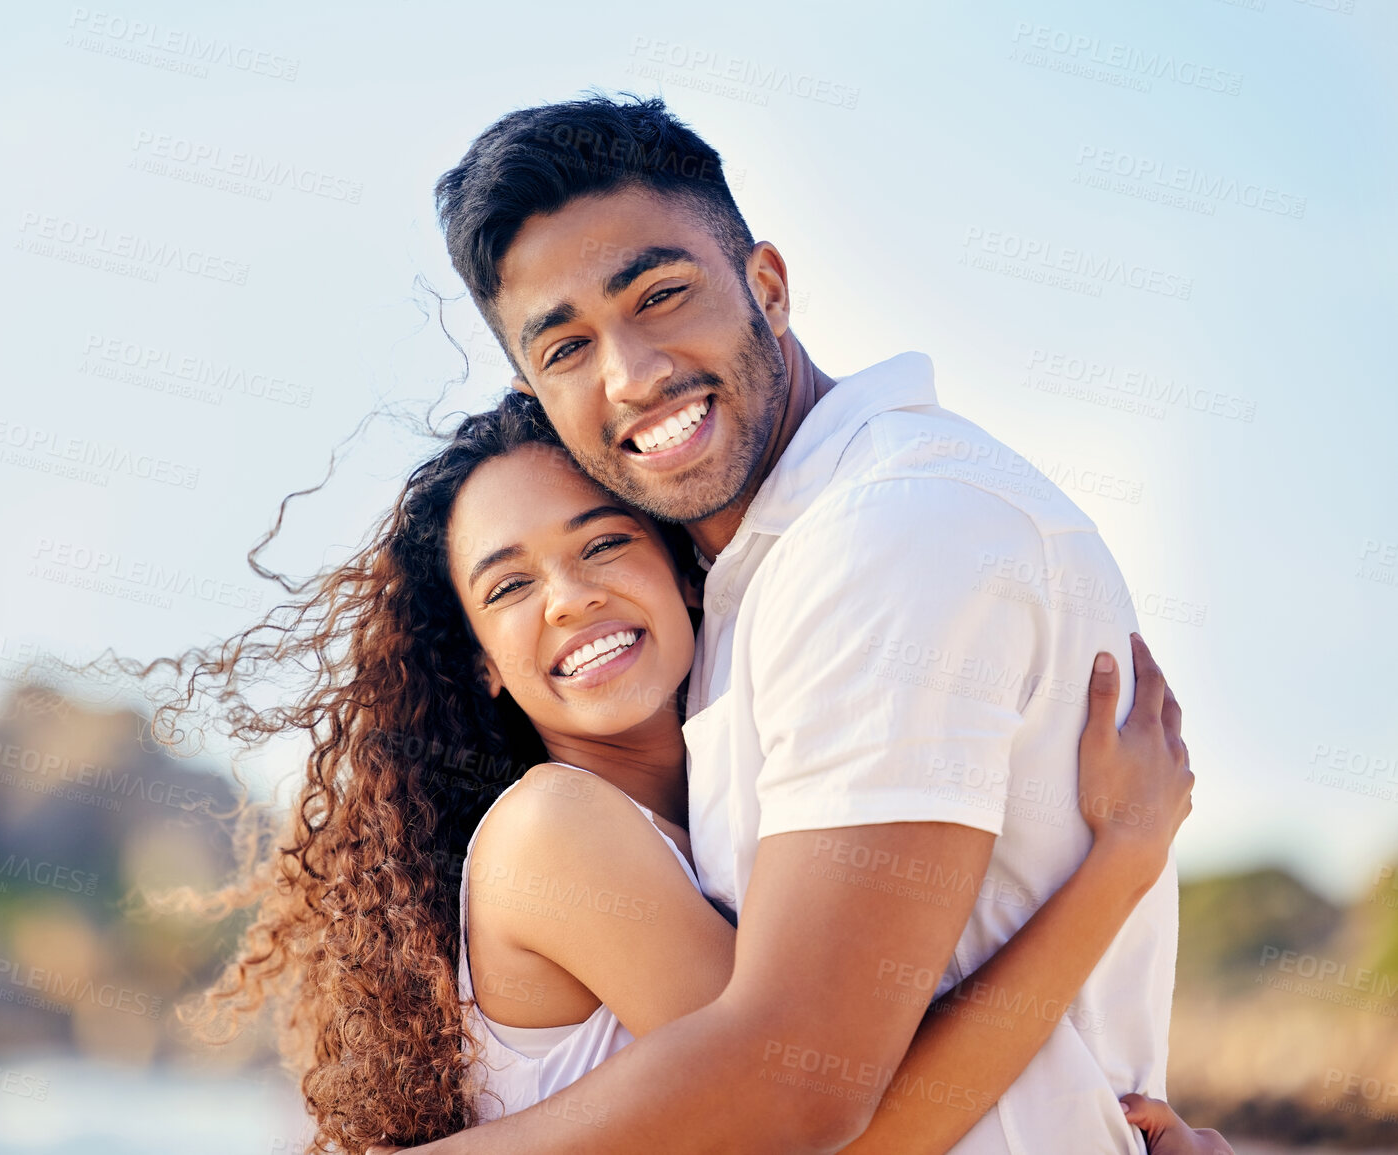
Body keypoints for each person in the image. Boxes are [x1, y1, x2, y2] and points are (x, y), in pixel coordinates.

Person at [367, 93, 1215, 1153]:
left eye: (662, 293)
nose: (632, 373)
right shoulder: (760, 580)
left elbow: (798, 1094)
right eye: (567, 347)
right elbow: (800, 1100)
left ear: (767, 285)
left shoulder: (889, 535)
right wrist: (1117, 869)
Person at [124, 395, 1223, 1154]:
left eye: (604, 545)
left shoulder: (733, 828)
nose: (569, 598)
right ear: (483, 667)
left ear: (684, 573)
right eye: (509, 589)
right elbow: (841, 1128)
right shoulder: (558, 832)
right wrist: (1119, 864)